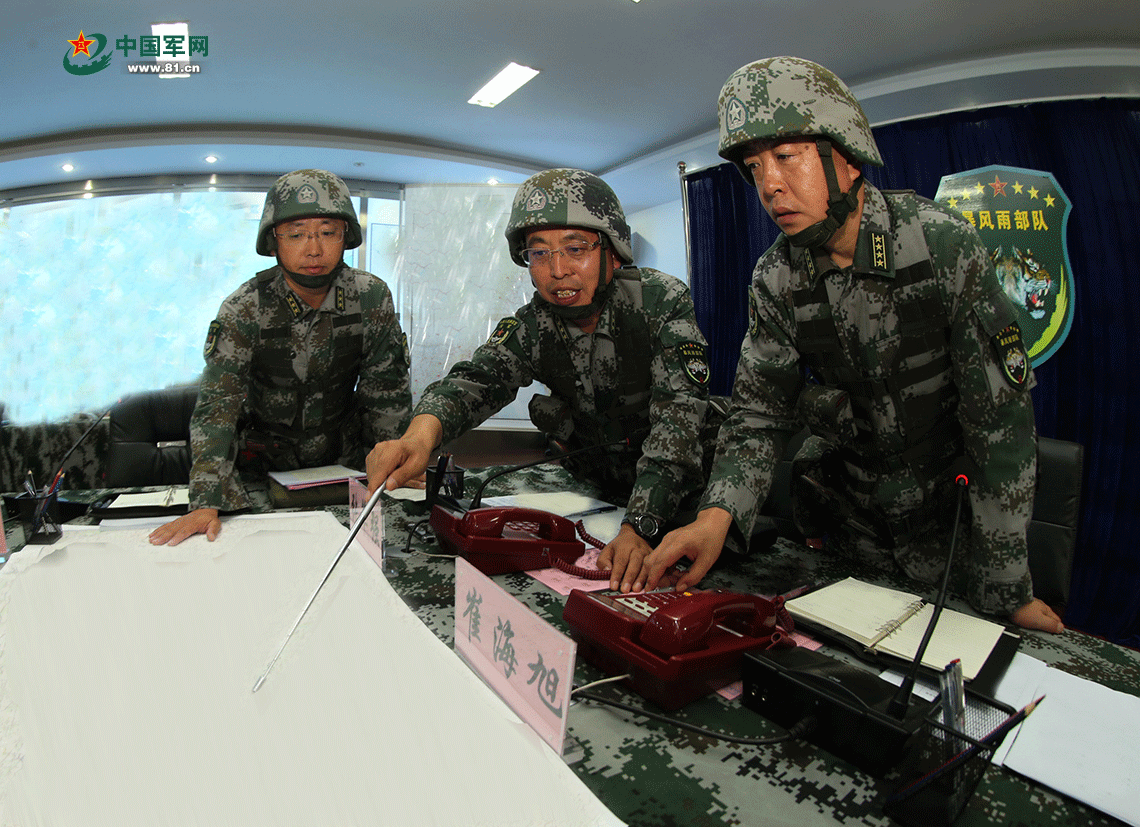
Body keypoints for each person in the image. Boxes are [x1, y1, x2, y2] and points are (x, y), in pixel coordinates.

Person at [631, 57, 1063, 633]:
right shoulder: (775, 278)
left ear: (848, 160)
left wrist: (1007, 589)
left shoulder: (940, 245)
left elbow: (1000, 428)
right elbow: (759, 414)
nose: (769, 185)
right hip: (846, 527)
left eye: (786, 157)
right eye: (755, 167)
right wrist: (717, 516)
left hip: (952, 531)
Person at [365, 169, 721, 586]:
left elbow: (678, 424)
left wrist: (639, 525)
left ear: (614, 253)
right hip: (604, 499)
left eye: (575, 249)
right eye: (539, 254)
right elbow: (474, 381)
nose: (557, 270)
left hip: (687, 503)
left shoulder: (659, 302)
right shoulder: (534, 325)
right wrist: (418, 438)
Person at [150, 169, 411, 546]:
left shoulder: (370, 297)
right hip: (261, 476)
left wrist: (395, 470)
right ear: (274, 240)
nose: (314, 249)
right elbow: (218, 407)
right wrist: (206, 500)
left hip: (344, 470)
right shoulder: (245, 307)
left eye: (327, 232)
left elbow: (386, 394)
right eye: (296, 234)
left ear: (345, 237)